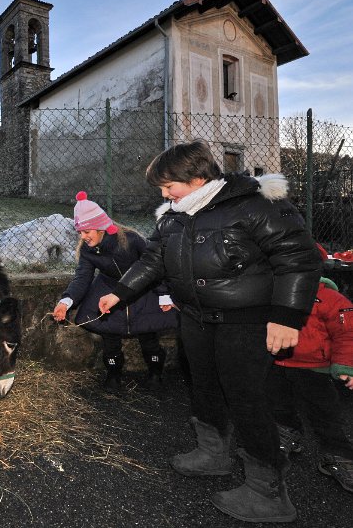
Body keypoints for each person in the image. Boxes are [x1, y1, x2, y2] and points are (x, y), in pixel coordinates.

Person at [98, 140, 322, 523]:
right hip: (196, 319)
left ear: (198, 177)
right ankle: (213, 454)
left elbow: (298, 258)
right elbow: (154, 259)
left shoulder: (254, 204)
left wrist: (287, 317)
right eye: (162, 189)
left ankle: (268, 492)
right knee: (202, 386)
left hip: (247, 320)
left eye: (170, 186)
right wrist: (120, 293)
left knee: (246, 397)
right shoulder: (172, 216)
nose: (165, 195)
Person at [52, 191, 178, 390]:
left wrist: (163, 294)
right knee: (110, 336)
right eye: (80, 232)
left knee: (148, 334)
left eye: (87, 231)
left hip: (140, 289)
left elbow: (154, 266)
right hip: (107, 291)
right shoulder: (87, 250)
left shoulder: (131, 239)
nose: (83, 237)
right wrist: (66, 301)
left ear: (101, 227)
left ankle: (155, 372)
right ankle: (113, 374)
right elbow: (82, 278)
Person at [270, 260, 353, 494]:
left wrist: (346, 366)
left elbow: (347, 334)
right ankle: (288, 434)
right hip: (277, 362)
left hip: (315, 368)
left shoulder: (331, 300)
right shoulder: (270, 295)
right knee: (279, 406)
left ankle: (338, 455)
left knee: (325, 414)